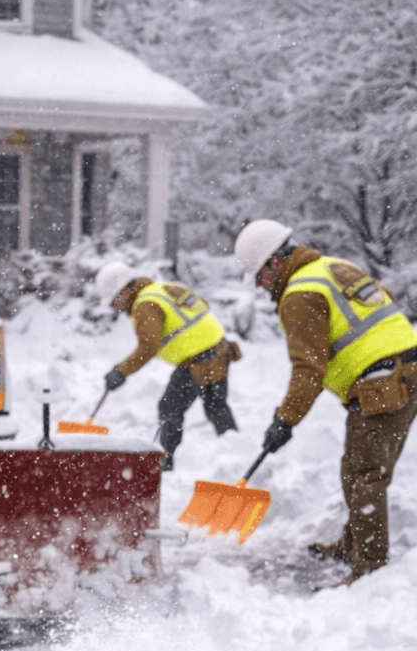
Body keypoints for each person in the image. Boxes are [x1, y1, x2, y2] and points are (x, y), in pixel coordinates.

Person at [234, 220, 417, 580]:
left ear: (273, 263)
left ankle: (368, 570)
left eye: (258, 276)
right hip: (407, 369)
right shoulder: (333, 267)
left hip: (382, 383)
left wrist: (284, 420)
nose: (260, 285)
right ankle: (353, 545)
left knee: (365, 477)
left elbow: (307, 370)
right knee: (358, 469)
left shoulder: (299, 294)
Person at [95, 260, 241, 471]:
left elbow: (148, 347)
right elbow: (201, 304)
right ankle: (234, 455)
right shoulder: (160, 288)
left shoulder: (145, 305)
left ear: (125, 291)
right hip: (217, 349)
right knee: (211, 407)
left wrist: (121, 371)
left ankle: (164, 462)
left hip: (202, 358)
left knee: (175, 408)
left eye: (113, 300)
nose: (112, 306)